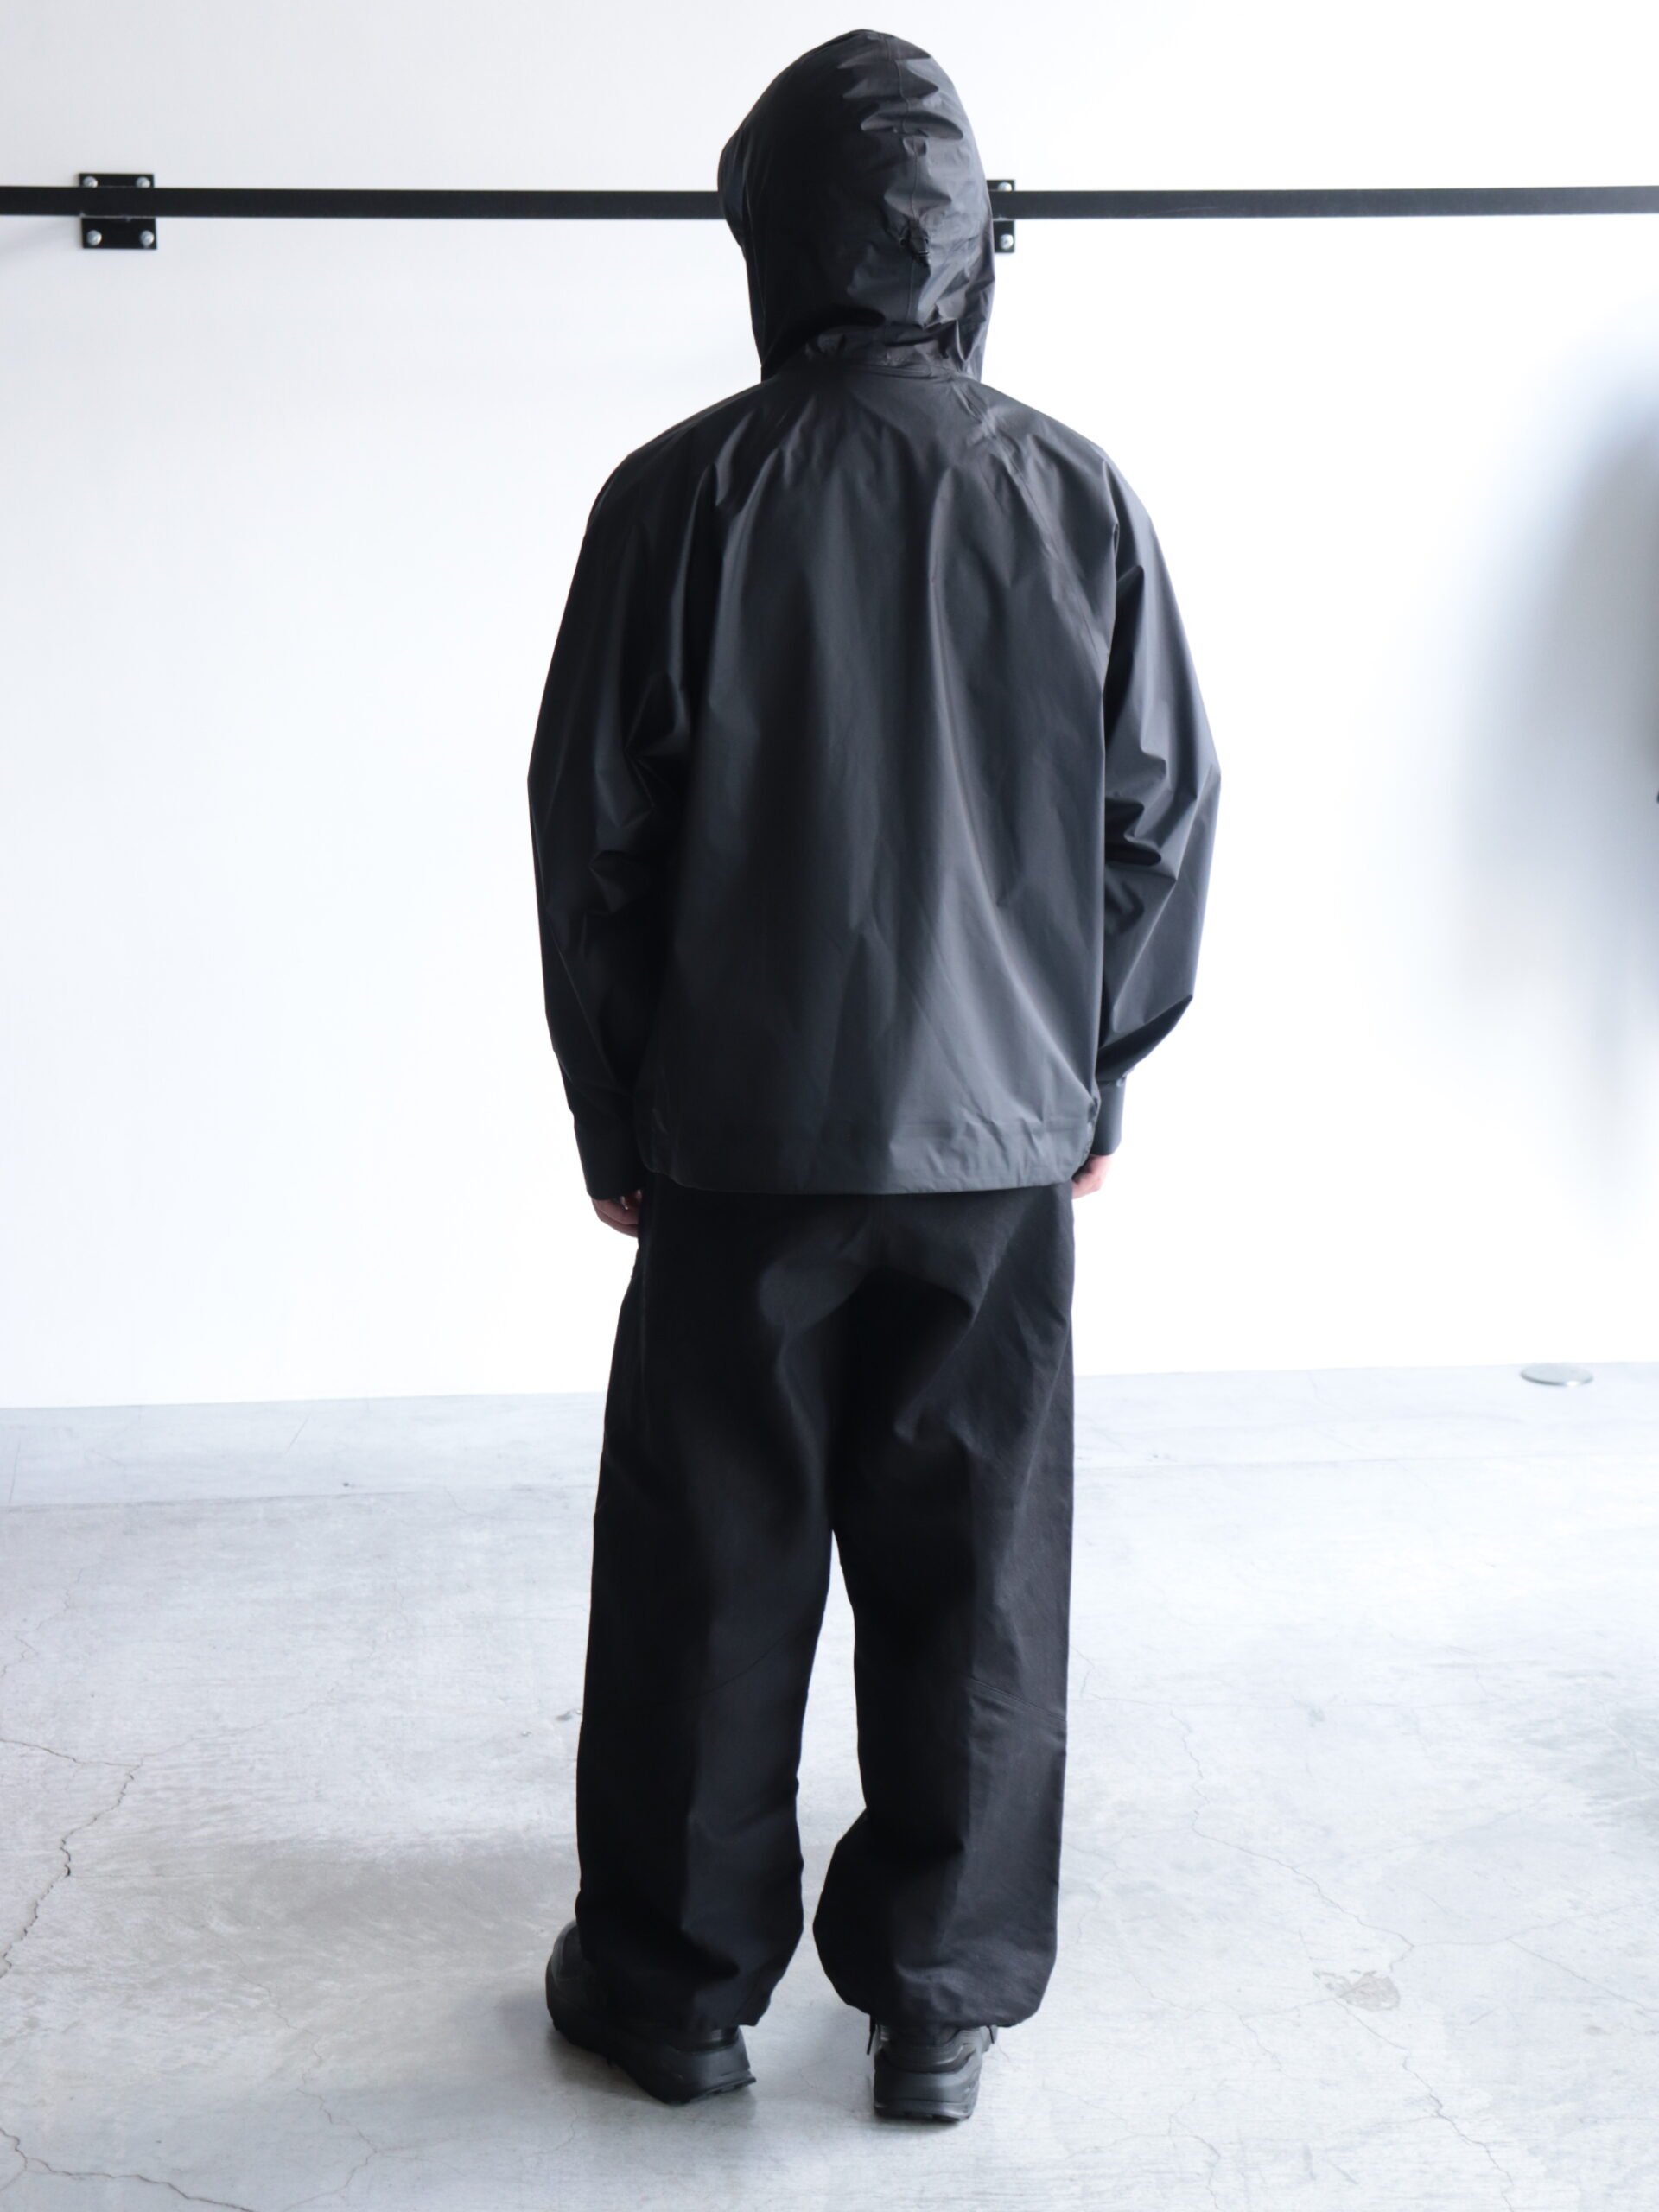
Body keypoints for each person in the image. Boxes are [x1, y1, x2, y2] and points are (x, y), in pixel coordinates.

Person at [527, 27, 1219, 2123]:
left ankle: (674, 1990)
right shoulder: (1074, 490)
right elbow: (1159, 815)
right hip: (994, 1144)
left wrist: (614, 1111)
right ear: (968, 245)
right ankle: (941, 2001)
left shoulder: (678, 494)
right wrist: (1087, 1076)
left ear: (768, 240)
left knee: (712, 1563)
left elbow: (590, 831)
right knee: (976, 1565)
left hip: (738, 1141)